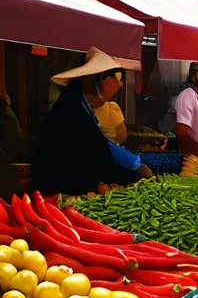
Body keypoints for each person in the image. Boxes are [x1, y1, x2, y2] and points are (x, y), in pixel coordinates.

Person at [32, 47, 144, 196]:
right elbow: (99, 153)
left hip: (62, 186)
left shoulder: (77, 100)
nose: (119, 84)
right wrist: (134, 172)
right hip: (58, 190)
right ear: (101, 78)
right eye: (116, 77)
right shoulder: (73, 106)